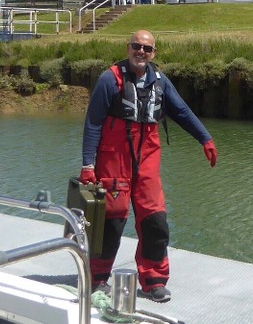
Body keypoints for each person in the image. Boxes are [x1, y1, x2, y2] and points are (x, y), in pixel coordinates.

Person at [80, 29, 218, 303]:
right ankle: (97, 278)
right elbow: (93, 122)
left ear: (154, 53)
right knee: (112, 220)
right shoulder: (110, 79)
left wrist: (205, 138)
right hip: (114, 157)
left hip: (148, 155)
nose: (141, 52)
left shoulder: (160, 81)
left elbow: (181, 111)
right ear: (127, 47)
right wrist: (88, 164)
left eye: (147, 48)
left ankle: (154, 280)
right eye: (136, 46)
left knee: (155, 220)